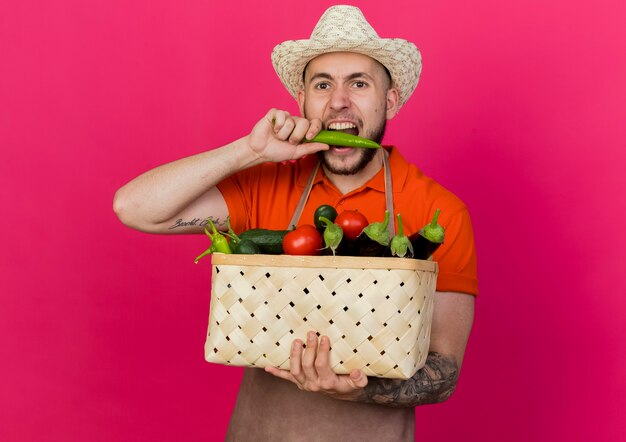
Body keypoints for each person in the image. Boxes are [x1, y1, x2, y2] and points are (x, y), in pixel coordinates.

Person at [114, 5, 478, 441]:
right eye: (322, 85)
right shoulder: (264, 186)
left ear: (390, 100)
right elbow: (133, 208)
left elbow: (444, 371)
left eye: (359, 83)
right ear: (302, 101)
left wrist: (353, 391)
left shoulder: (439, 210)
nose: (338, 101)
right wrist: (249, 152)